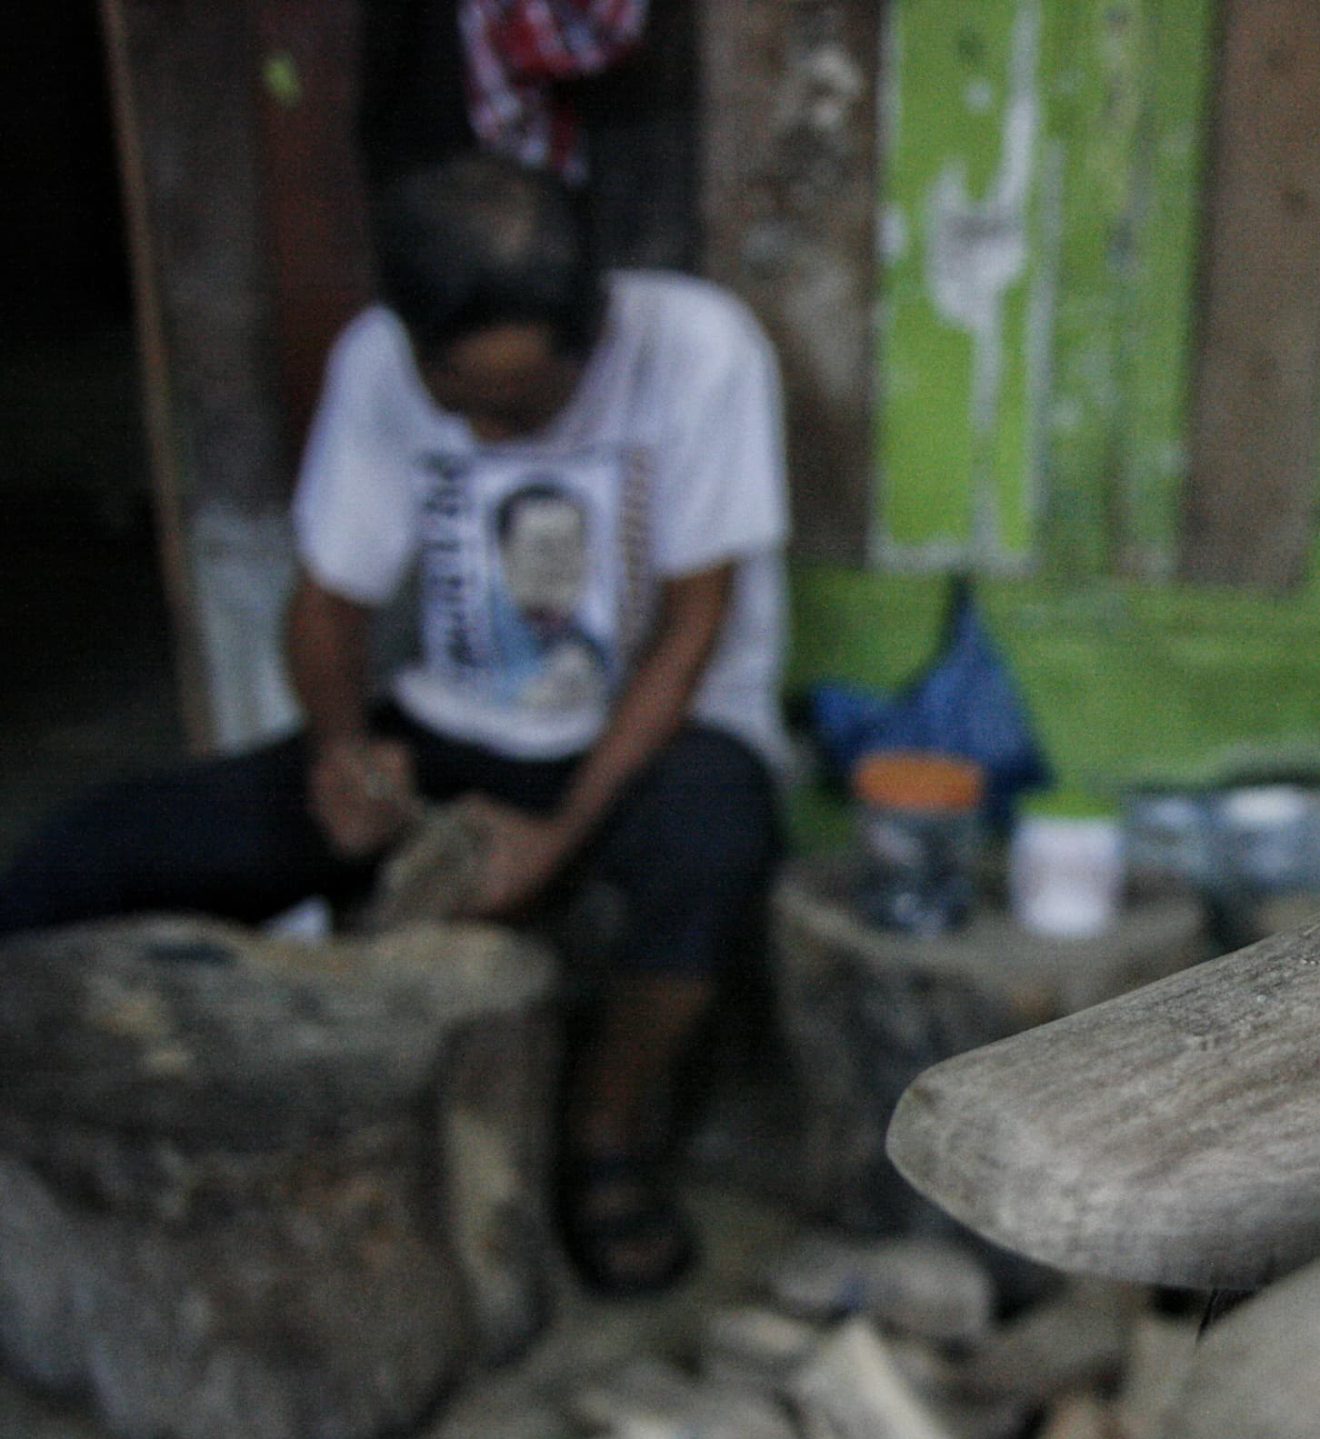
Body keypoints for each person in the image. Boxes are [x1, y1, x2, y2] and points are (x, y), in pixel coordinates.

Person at [0, 152, 791, 1294]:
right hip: (453, 726)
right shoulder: (377, 363)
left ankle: (604, 1137)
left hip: (657, 727)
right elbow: (327, 601)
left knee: (715, 835)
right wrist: (342, 752)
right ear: (415, 349)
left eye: (526, 405)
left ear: (594, 331)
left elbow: (693, 623)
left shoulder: (701, 347)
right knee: (104, 847)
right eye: (465, 405)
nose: (496, 428)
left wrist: (557, 837)